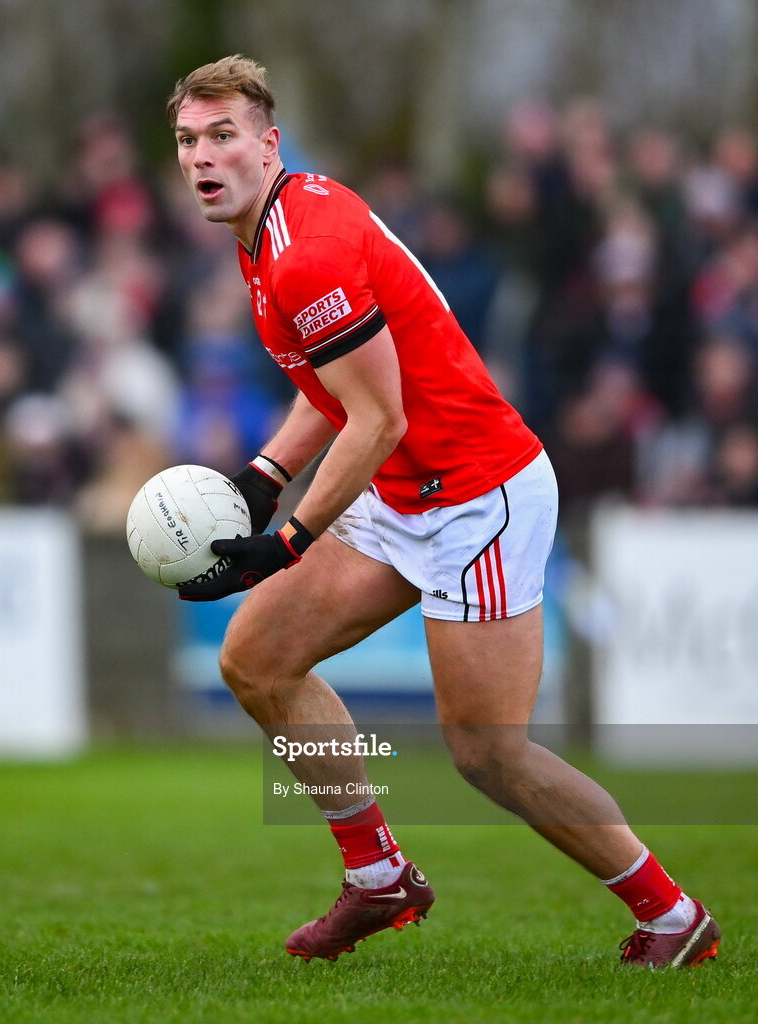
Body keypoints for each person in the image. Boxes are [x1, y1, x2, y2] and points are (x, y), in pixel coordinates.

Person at [166, 55, 721, 969]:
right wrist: (266, 476)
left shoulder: (303, 253)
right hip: (399, 491)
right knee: (256, 660)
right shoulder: (271, 231)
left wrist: (290, 539)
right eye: (188, 141)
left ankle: (671, 917)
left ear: (268, 146)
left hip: (478, 497)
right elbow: (338, 389)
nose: (202, 157)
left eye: (222, 136)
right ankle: (377, 874)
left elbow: (377, 416)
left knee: (485, 753)